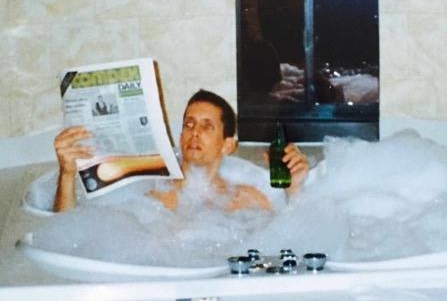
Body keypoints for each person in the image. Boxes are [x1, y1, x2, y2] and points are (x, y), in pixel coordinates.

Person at [53, 90, 309, 213]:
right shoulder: (146, 190)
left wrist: (294, 190)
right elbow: (69, 232)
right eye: (189, 124)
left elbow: (292, 236)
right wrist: (66, 174)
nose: (195, 132)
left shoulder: (247, 197)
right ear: (180, 136)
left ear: (227, 145)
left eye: (207, 126)